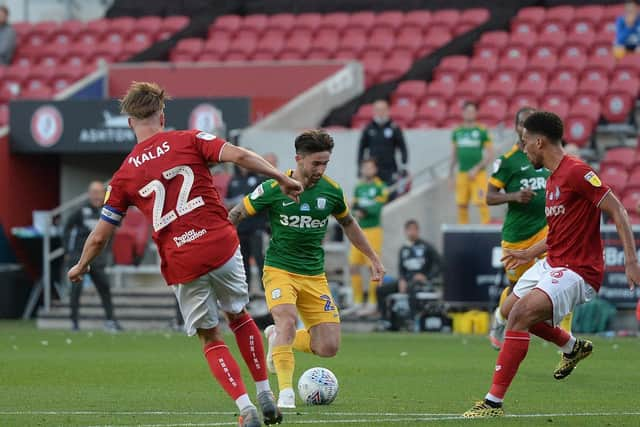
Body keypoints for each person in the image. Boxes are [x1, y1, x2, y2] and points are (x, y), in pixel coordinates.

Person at [67, 81, 303, 427]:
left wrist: (80, 264)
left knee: (210, 335)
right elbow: (238, 155)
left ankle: (245, 408)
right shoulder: (189, 139)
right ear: (162, 116)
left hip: (181, 259)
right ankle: (265, 392)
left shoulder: (122, 177)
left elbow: (101, 235)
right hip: (221, 245)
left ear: (131, 122)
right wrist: (280, 177)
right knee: (239, 316)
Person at [463, 111, 640, 418]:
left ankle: (492, 404)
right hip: (552, 261)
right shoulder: (553, 179)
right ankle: (572, 347)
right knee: (507, 310)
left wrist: (630, 260)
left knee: (519, 315)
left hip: (578, 270)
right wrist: (529, 252)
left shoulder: (576, 172)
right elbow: (558, 233)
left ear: (540, 141)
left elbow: (618, 210)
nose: (524, 148)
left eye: (525, 142)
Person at [228, 129, 385, 409]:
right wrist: (219, 248)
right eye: (316, 163)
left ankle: (277, 340)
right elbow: (236, 215)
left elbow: (348, 223)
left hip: (314, 275)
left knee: (328, 347)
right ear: (299, 159)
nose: (321, 169)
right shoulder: (274, 187)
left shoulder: (331, 191)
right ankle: (285, 393)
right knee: (286, 319)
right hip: (279, 269)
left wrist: (372, 257)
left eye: (325, 163)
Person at [486, 107, 549, 349]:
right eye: (524, 124)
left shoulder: (545, 155)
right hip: (517, 236)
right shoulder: (507, 161)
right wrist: (514, 196)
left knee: (556, 277)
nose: (528, 129)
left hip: (545, 232)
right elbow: (489, 198)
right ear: (516, 127)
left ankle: (563, 334)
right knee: (517, 289)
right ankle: (501, 319)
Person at [64, 181, 122, 332]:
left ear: (104, 194)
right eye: (93, 192)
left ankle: (111, 320)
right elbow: (67, 229)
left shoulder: (107, 211)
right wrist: (68, 252)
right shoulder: (81, 211)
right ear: (89, 194)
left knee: (105, 288)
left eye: (99, 192)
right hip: (79, 257)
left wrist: (107, 254)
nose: (96, 196)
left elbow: (110, 234)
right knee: (75, 290)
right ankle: (74, 323)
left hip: (97, 258)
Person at [375, 219, 442, 329]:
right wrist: (401, 279)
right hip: (406, 280)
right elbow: (401, 268)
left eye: (414, 229)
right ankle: (384, 319)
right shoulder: (404, 249)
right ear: (405, 231)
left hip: (420, 282)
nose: (411, 232)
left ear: (418, 231)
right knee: (381, 289)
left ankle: (412, 320)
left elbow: (440, 264)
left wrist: (427, 276)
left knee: (412, 289)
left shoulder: (427, 247)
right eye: (409, 230)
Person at [344, 158, 388, 317]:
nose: (367, 170)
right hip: (359, 230)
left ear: (375, 169)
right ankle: (357, 302)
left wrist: (361, 209)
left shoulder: (381, 187)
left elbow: (376, 209)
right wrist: (357, 208)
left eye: (370, 167)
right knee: (353, 266)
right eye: (365, 167)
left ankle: (372, 302)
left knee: (372, 267)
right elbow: (353, 206)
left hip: (373, 231)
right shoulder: (359, 187)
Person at [449, 101, 494, 225]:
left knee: (482, 202)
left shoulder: (482, 131)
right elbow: (454, 155)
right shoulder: (457, 132)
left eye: (472, 111)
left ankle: (486, 229)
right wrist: (451, 175)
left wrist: (477, 168)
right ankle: (462, 231)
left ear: (476, 113)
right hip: (462, 173)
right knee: (461, 204)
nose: (469, 114)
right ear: (463, 113)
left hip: (478, 174)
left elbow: (490, 154)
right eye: (467, 111)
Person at [225, 165, 267, 295]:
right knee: (243, 261)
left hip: (256, 227)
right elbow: (227, 201)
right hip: (240, 228)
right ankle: (245, 291)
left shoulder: (259, 180)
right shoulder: (234, 180)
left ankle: (265, 289)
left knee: (260, 258)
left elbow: (263, 202)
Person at [357, 99, 408, 188]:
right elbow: (361, 148)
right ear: (374, 111)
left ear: (388, 110)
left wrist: (404, 164)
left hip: (390, 168)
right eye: (378, 110)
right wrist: (360, 166)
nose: (380, 112)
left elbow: (402, 147)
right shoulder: (368, 128)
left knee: (390, 193)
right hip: (373, 169)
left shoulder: (394, 128)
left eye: (383, 109)